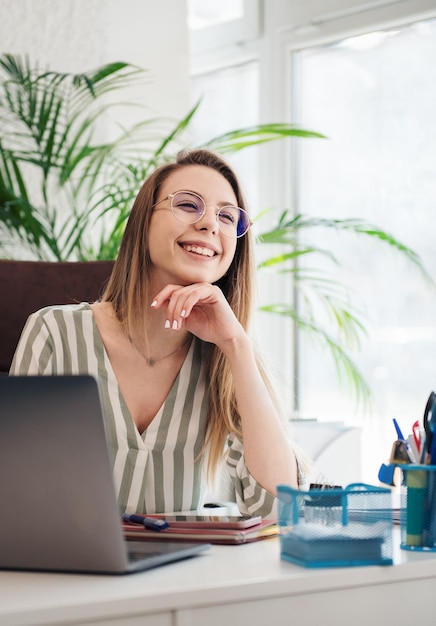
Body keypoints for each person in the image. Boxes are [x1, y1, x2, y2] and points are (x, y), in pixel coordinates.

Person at [10, 148, 308, 518]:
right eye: (188, 204)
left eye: (227, 216)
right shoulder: (54, 333)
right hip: (66, 570)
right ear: (143, 222)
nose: (210, 225)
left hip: (183, 574)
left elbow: (279, 508)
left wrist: (237, 345)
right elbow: (12, 489)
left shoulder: (227, 356)